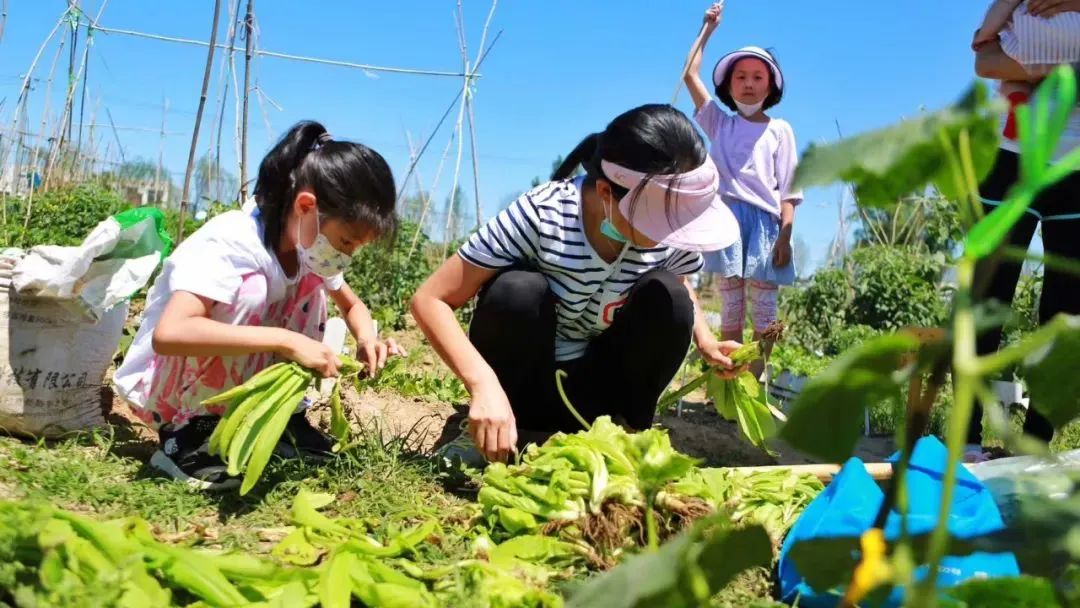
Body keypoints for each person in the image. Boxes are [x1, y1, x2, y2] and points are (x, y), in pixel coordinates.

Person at [411, 104, 746, 463]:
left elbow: (680, 286)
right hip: (520, 392)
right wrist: (482, 385)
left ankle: (624, 437)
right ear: (606, 192)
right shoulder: (544, 213)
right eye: (659, 219)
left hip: (598, 398)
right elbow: (431, 299)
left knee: (671, 297)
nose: (672, 232)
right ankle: (491, 436)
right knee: (517, 290)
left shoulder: (673, 235)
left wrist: (706, 342)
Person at [114, 121, 404, 489]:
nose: (347, 255)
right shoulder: (232, 242)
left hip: (231, 373)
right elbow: (171, 334)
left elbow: (352, 306)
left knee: (310, 288)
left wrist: (366, 338)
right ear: (306, 206)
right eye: (346, 242)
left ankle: (278, 419)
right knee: (251, 290)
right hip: (169, 384)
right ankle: (187, 432)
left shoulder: (306, 247)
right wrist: (286, 341)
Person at [967, 3, 1080, 461]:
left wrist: (1032, 69)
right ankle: (967, 438)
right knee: (985, 298)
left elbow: (996, 57)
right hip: (1008, 156)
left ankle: (1036, 444)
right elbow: (983, 55)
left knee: (1067, 311)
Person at [681, 2, 803, 376]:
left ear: (771, 85)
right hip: (727, 224)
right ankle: (729, 385)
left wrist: (785, 236)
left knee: (765, 315)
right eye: (741, 77)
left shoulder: (780, 129)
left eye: (757, 77)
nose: (749, 84)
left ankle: (756, 383)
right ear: (728, 84)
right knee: (731, 311)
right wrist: (707, 29)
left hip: (766, 228)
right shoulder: (720, 123)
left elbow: (789, 190)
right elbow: (689, 74)